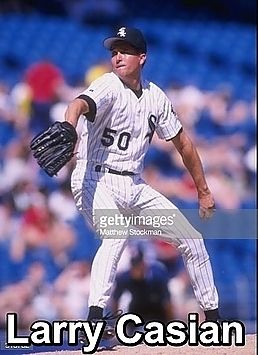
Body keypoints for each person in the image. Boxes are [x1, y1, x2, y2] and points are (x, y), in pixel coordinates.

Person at [64, 27, 220, 345]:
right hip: (94, 178)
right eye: (114, 50)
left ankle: (213, 320)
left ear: (142, 57)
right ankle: (94, 320)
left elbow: (184, 144)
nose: (117, 55)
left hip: (133, 185)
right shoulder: (107, 85)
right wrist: (69, 126)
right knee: (116, 233)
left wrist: (203, 190)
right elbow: (79, 104)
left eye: (125, 49)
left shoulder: (155, 97)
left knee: (192, 238)